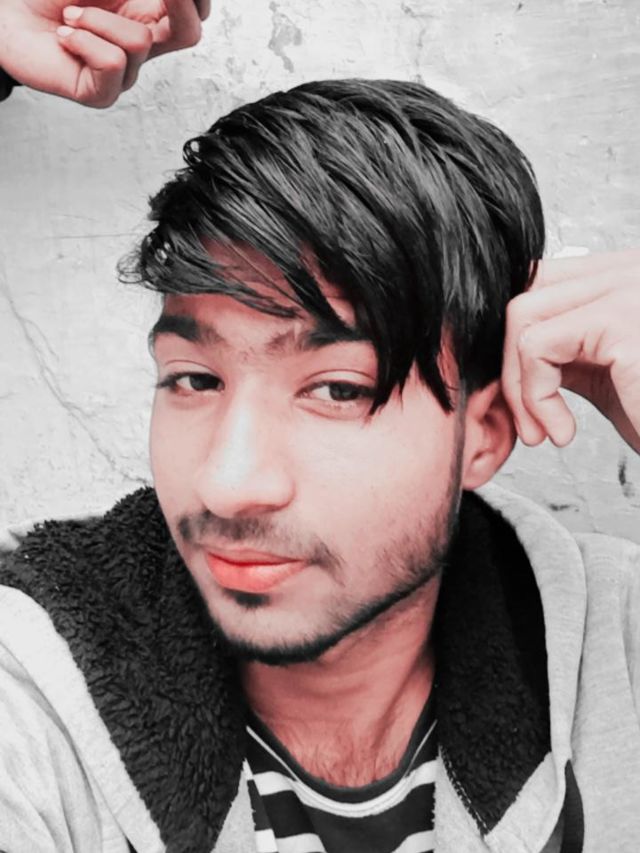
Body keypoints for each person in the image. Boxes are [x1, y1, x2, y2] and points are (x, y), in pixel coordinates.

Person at [1, 7, 639, 853]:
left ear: (484, 431)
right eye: (194, 379)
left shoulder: (615, 647)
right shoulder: (33, 688)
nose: (229, 483)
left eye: (335, 390)